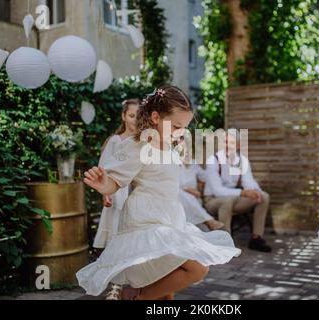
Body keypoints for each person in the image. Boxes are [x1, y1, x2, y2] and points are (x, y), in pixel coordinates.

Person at [76, 85, 241, 300]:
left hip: (170, 221)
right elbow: (116, 182)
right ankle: (135, 297)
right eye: (176, 126)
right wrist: (102, 185)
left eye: (184, 128)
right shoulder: (138, 146)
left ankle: (140, 296)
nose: (180, 132)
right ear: (155, 117)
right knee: (197, 268)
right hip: (146, 222)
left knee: (166, 286)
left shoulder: (170, 148)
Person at [203, 130, 272, 252]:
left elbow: (249, 182)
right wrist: (242, 193)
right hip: (212, 200)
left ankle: (256, 239)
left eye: (232, 143)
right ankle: (225, 244)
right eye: (225, 142)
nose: (228, 145)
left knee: (263, 196)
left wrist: (256, 191)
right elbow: (218, 191)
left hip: (234, 199)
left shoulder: (242, 161)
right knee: (227, 201)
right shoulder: (213, 160)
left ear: (239, 145)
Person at [93, 99, 139, 249]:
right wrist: (104, 194)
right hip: (118, 191)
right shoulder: (115, 141)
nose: (136, 119)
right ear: (124, 116)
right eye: (132, 115)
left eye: (139, 116)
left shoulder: (143, 141)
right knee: (117, 225)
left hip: (137, 190)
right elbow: (103, 168)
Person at [179, 162, 225, 230]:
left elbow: (206, 177)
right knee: (181, 195)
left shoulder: (194, 165)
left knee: (188, 199)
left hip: (195, 199)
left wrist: (201, 190)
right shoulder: (173, 165)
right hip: (180, 199)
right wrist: (188, 190)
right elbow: (173, 187)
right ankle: (208, 220)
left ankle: (207, 222)